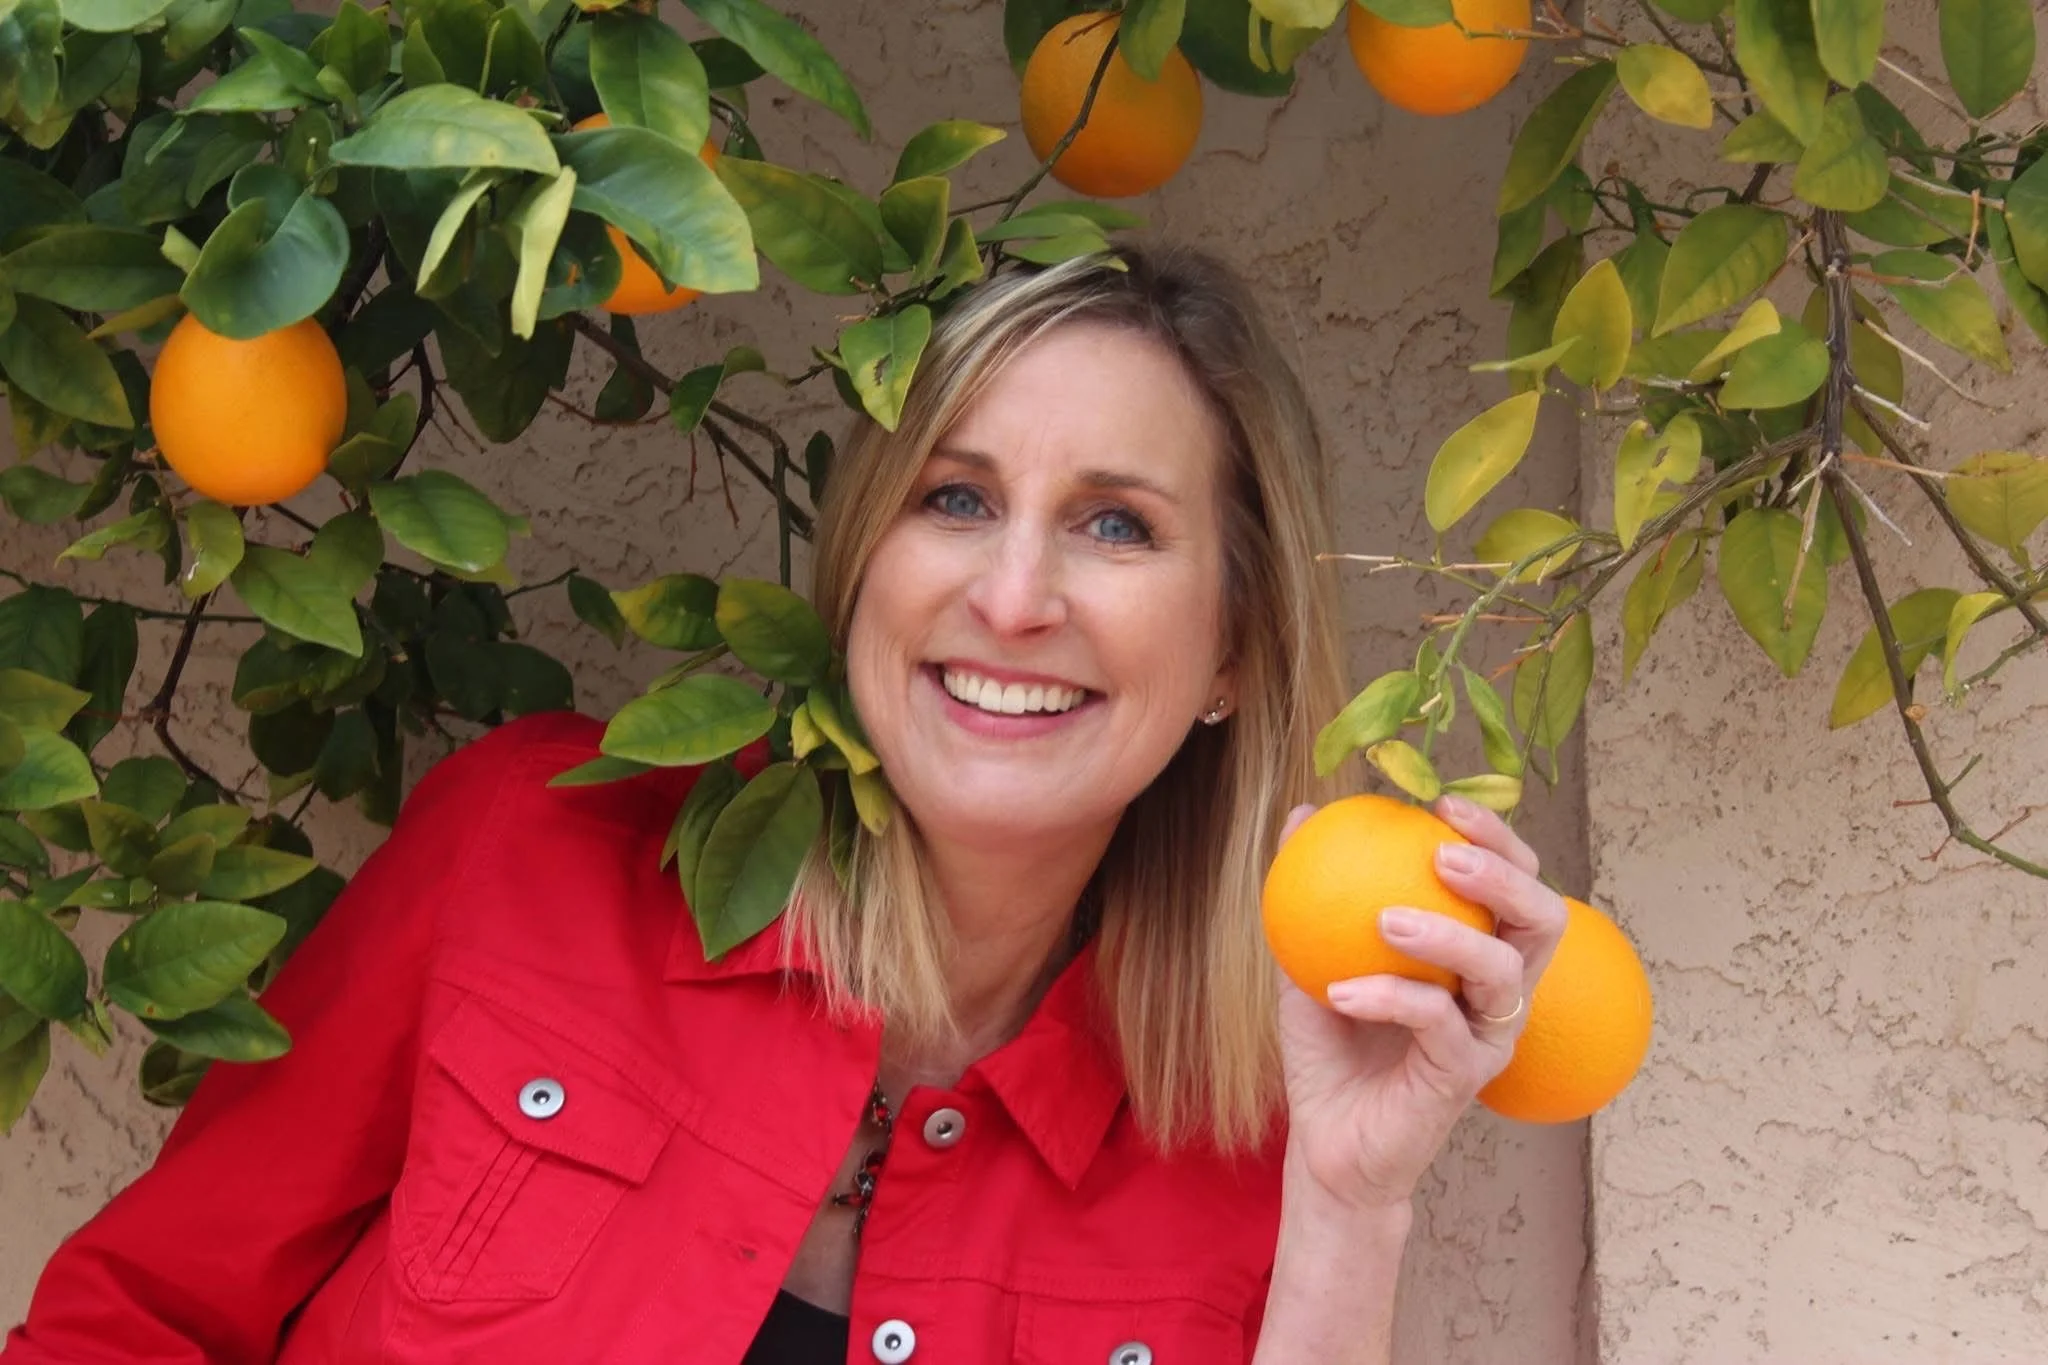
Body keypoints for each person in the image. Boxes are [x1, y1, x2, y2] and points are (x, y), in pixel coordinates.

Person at [3, 244, 1568, 1364]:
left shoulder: (1247, 1133)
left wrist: (1354, 1207)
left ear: (1231, 647)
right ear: (865, 565)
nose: (1013, 596)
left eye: (1114, 524)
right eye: (955, 500)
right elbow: (138, 1323)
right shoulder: (531, 848)